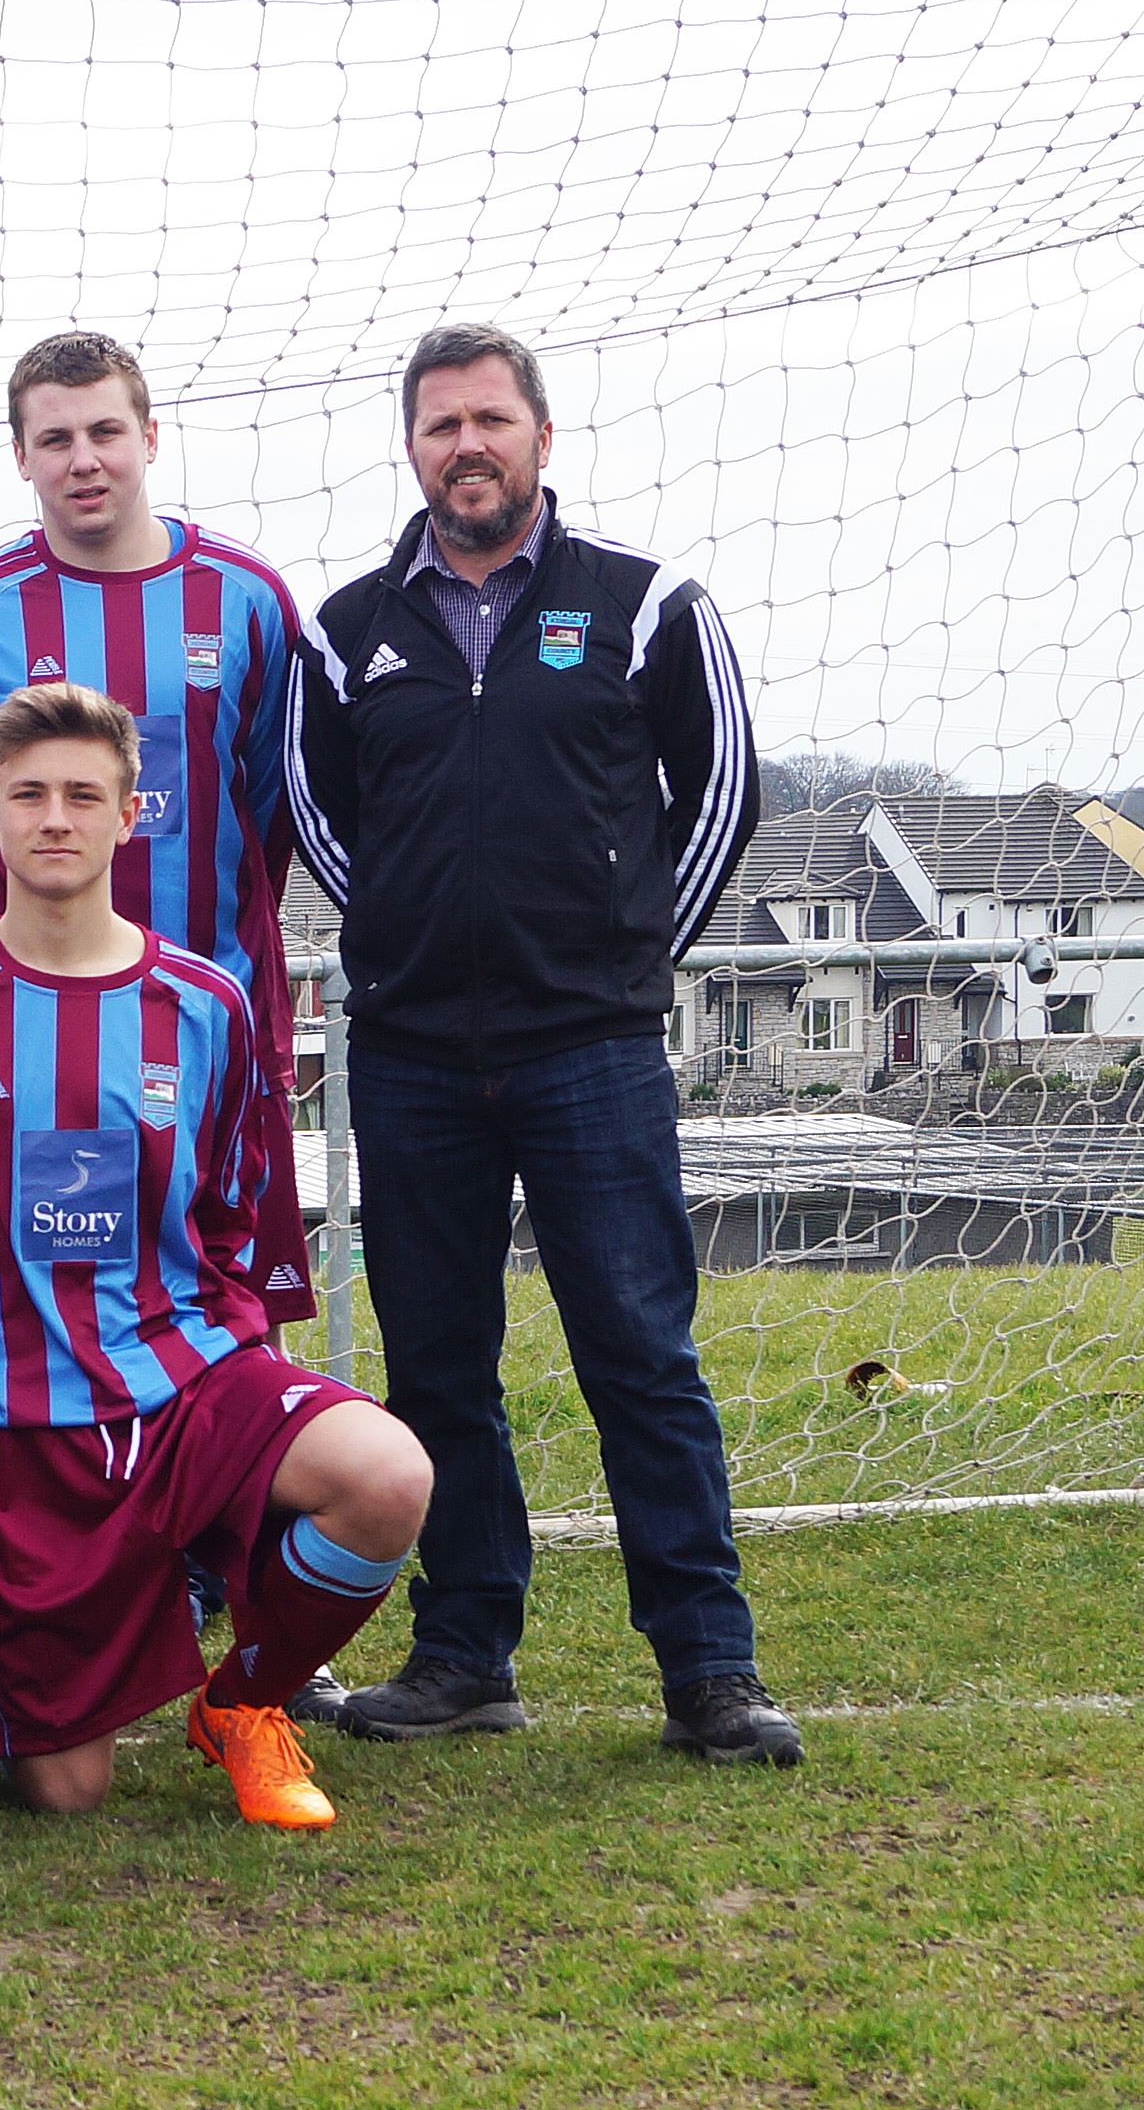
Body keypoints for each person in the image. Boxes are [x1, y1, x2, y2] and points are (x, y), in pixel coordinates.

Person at [285, 322, 798, 1766]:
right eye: (441, 423)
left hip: (592, 1050)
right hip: (413, 1054)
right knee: (439, 1360)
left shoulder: (645, 605)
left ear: (541, 437)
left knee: (639, 1350)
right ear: (412, 449)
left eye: (491, 418)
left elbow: (724, 791)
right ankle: (465, 1648)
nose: (468, 444)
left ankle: (709, 1664)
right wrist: (397, 938)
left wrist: (629, 963)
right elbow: (321, 820)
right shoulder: (345, 631)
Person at [0, 683, 431, 1828]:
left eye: (83, 794)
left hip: (185, 1383)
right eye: (29, 794)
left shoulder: (206, 1003)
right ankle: (34, 1641)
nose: (55, 818)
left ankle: (244, 1701)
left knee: (388, 1474)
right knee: (67, 1794)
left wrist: (224, 1357)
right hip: (17, 1425)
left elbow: (230, 1210)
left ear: (131, 815)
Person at [0, 334, 318, 1329]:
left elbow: (270, 816)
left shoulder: (248, 599)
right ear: (20, 456)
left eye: (103, 431)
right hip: (29, 1031)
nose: (82, 459)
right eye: (55, 439)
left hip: (212, 1020)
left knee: (228, 1316)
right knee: (42, 1305)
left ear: (149, 436)